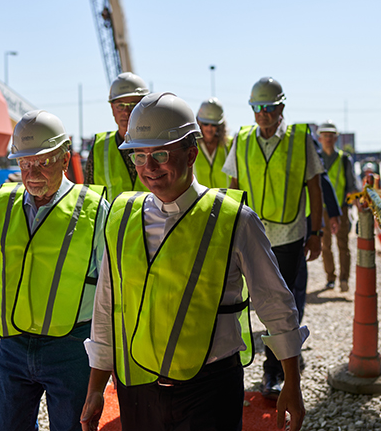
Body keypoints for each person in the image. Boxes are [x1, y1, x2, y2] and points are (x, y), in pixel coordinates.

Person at [80, 92, 308, 431]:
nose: (149, 168)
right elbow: (107, 306)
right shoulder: (122, 218)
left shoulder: (235, 220)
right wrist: (96, 387)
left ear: (190, 154)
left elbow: (274, 302)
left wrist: (292, 381)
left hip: (210, 389)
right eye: (139, 157)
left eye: (159, 154)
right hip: (137, 385)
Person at [0, 110, 109, 431]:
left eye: (43, 161)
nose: (32, 173)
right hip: (13, 347)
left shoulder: (94, 210)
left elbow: (110, 293)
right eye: (25, 163)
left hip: (71, 349)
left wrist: (104, 365)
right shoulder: (4, 203)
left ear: (65, 158)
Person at [221, 76, 323, 401]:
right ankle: (268, 359)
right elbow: (234, 186)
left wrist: (317, 232)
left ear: (281, 107)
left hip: (289, 232)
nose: (262, 114)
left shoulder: (300, 138)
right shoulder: (243, 138)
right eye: (256, 108)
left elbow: (315, 187)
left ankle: (274, 371)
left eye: (268, 107)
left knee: (284, 302)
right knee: (251, 301)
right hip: (252, 233)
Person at [85, 72, 150, 199]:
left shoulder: (160, 143)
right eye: (120, 105)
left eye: (133, 105)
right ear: (112, 107)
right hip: (113, 219)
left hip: (152, 219)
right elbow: (90, 197)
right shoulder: (99, 146)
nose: (126, 112)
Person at [317, 121, 358, 292]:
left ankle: (344, 279)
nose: (328, 139)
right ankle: (330, 278)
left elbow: (352, 185)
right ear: (320, 138)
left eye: (331, 136)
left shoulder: (344, 159)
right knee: (325, 245)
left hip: (340, 208)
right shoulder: (316, 159)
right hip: (322, 209)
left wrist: (357, 204)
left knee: (343, 244)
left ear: (336, 138)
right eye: (325, 136)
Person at [194, 97, 233, 188]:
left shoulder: (230, 145)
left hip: (225, 201)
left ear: (220, 125)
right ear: (199, 123)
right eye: (206, 123)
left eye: (214, 124)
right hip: (199, 201)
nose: (209, 128)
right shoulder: (191, 146)